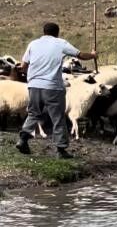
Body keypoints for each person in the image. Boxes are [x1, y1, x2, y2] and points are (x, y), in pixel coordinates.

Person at [15, 22, 97, 158]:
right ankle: (61, 150)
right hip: (53, 87)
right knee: (58, 118)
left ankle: (23, 139)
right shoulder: (61, 43)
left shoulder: (33, 44)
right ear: (57, 33)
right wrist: (93, 55)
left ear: (44, 32)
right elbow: (80, 55)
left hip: (34, 85)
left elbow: (24, 66)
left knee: (33, 113)